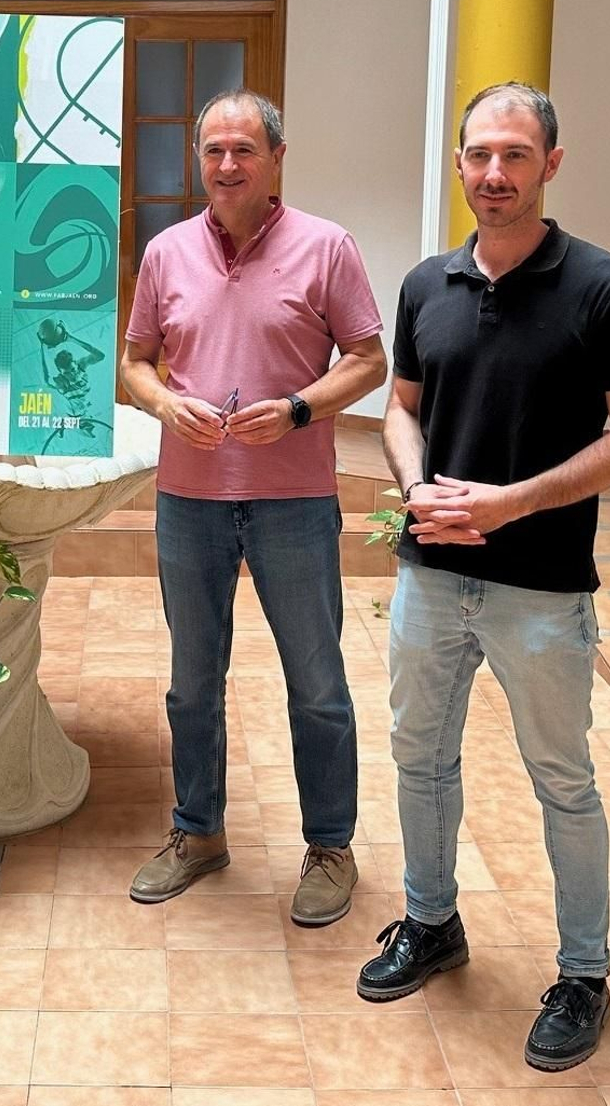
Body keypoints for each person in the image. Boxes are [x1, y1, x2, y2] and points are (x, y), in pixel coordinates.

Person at [358, 83, 610, 1072]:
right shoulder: (425, 285)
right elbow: (401, 408)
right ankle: (430, 921)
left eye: (515, 155)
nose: (494, 173)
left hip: (543, 586)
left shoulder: (607, 287)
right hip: (430, 575)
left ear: (550, 165)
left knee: (561, 780)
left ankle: (584, 975)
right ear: (459, 165)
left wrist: (511, 503)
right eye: (480, 155)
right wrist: (416, 487)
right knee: (419, 756)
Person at [120, 89, 387, 925]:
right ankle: (198, 833)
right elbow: (134, 363)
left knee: (317, 683)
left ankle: (331, 846)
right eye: (214, 150)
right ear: (198, 160)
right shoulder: (166, 252)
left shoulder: (326, 247)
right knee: (191, 685)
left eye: (244, 149)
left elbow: (369, 359)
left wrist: (301, 408)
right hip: (189, 500)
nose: (227, 164)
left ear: (276, 159)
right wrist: (165, 404)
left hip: (294, 502)